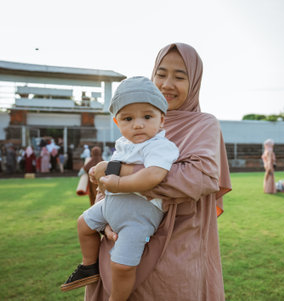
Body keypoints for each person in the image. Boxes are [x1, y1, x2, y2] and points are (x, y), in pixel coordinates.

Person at [85, 43, 232, 300]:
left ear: (194, 81)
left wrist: (123, 172)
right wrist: (106, 219)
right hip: (120, 243)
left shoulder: (202, 124)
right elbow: (108, 176)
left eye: (179, 76)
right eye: (161, 74)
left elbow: (200, 178)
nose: (167, 84)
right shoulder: (138, 117)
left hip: (176, 252)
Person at [61, 76, 180, 301]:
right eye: (128, 118)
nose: (138, 124)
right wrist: (100, 177)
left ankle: (117, 299)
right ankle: (89, 266)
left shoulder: (159, 145)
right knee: (83, 224)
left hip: (140, 213)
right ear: (117, 122)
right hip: (111, 205)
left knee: (122, 265)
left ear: (161, 120)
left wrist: (117, 182)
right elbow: (109, 172)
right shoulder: (123, 145)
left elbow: (153, 175)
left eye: (147, 116)